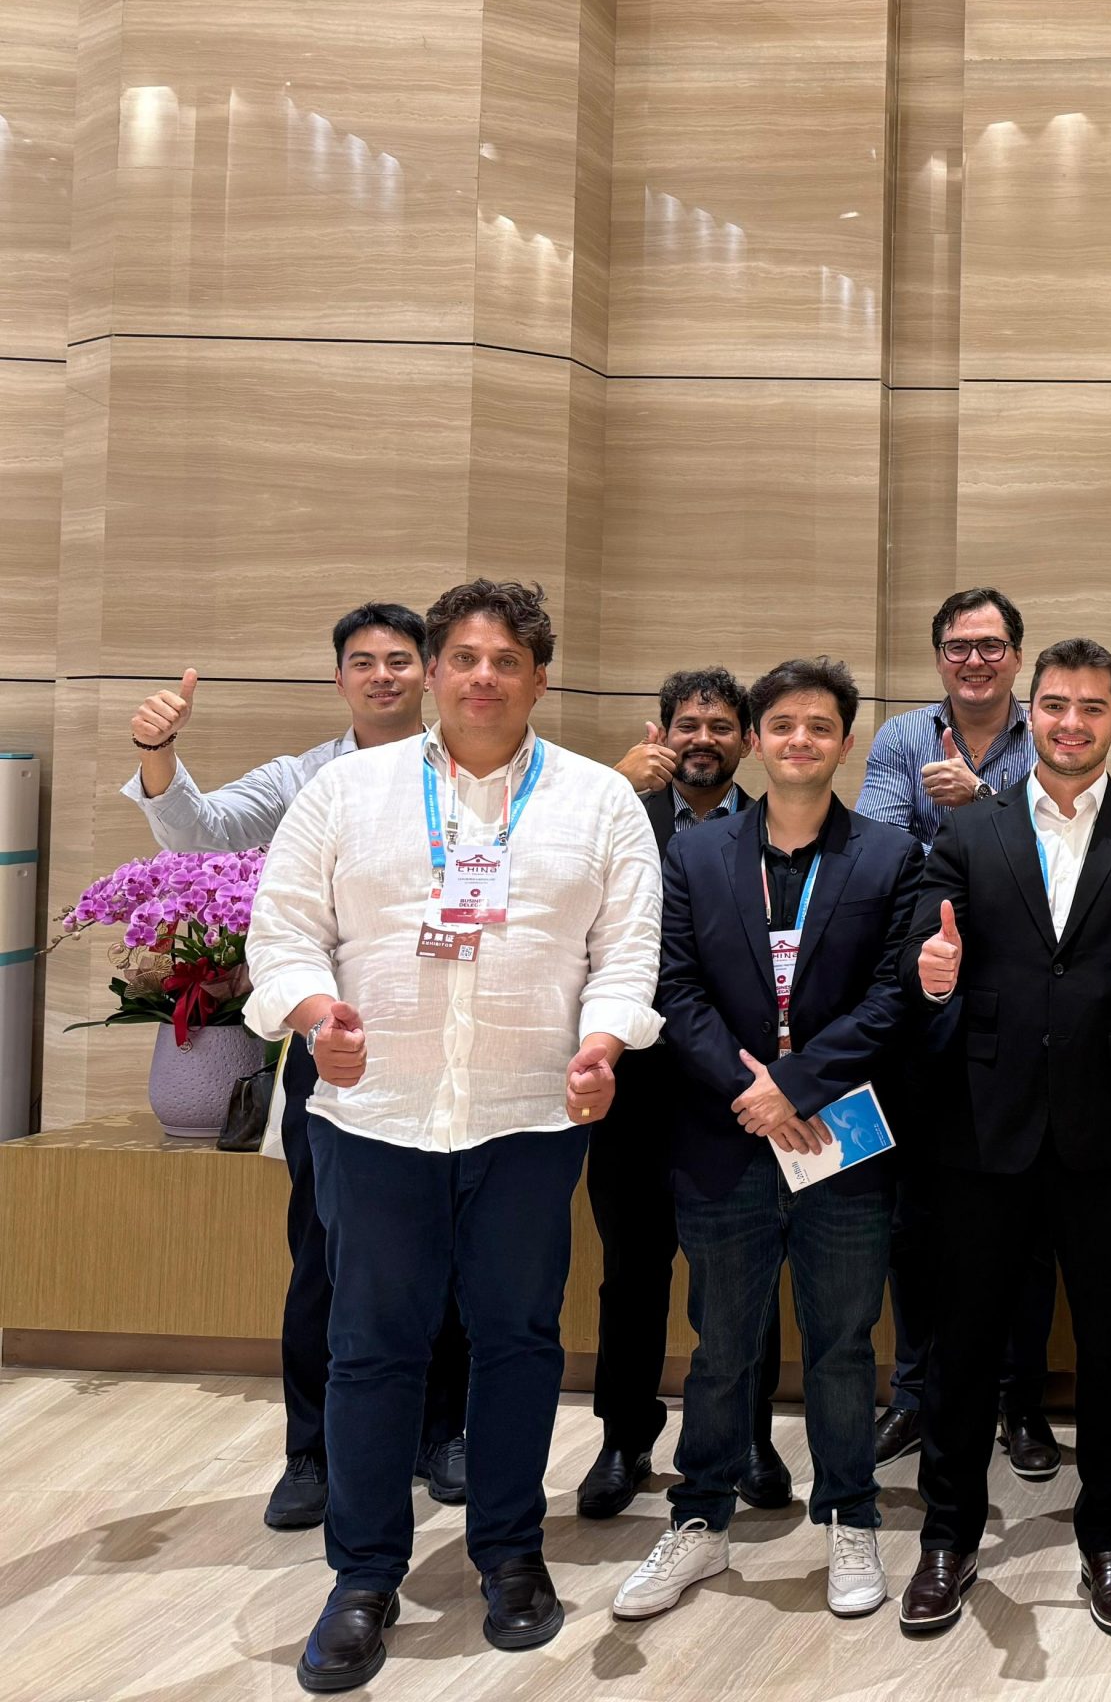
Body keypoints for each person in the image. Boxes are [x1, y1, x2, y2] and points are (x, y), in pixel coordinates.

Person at [245, 578, 663, 1695]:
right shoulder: (346, 792)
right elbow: (281, 934)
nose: (484, 677)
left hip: (529, 1116)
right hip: (376, 1114)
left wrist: (604, 1043)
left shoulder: (598, 802)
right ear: (433, 672)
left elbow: (628, 953)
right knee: (371, 1346)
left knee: (519, 1341)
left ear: (539, 678)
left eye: (507, 660)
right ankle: (363, 1576)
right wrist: (313, 1015)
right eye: (464, 658)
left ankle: (510, 1553)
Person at [123, 606, 470, 1530]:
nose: (384, 675)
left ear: (431, 672)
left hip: (449, 1044)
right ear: (339, 679)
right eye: (364, 662)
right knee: (325, 1252)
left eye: (401, 659)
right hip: (332, 1045)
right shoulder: (301, 777)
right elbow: (197, 832)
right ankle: (311, 1452)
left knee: (446, 1242)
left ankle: (444, 1432)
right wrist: (158, 753)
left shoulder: (472, 772)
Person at [895, 637, 1111, 1639]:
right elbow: (922, 943)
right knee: (962, 1346)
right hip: (981, 1128)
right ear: (1034, 713)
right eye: (1058, 705)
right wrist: (930, 970)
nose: (1073, 723)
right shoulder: (970, 827)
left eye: (1093, 707)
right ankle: (947, 1538)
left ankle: (1109, 1541)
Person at [613, 658, 927, 1625]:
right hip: (723, 1133)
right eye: (782, 725)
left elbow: (894, 997)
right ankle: (699, 1520)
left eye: (819, 727)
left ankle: (850, 1517)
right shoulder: (696, 855)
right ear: (756, 740)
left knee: (842, 1346)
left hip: (841, 1135)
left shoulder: (888, 856)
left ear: (845, 743)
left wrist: (795, 1084)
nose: (800, 740)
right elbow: (673, 987)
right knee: (720, 1345)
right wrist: (751, 1088)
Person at [856, 585, 1060, 1481]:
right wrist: (988, 833)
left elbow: (1060, 863)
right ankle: (914, 1392)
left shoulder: (1049, 735)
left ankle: (1020, 1400)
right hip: (918, 1010)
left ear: (1016, 655)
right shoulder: (902, 737)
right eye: (956, 646)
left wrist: (980, 806)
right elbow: (878, 853)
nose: (974, 660)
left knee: (1023, 1220)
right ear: (938, 656)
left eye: (990, 645)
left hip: (1022, 1010)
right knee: (915, 1219)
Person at [578, 669, 790, 1519]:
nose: (703, 738)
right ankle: (623, 1439)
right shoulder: (615, 814)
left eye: (721, 726)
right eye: (687, 725)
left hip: (735, 1088)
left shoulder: (776, 828)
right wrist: (614, 786)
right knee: (631, 1273)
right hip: (631, 1082)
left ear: (747, 741)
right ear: (661, 732)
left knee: (744, 1277)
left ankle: (750, 1436)